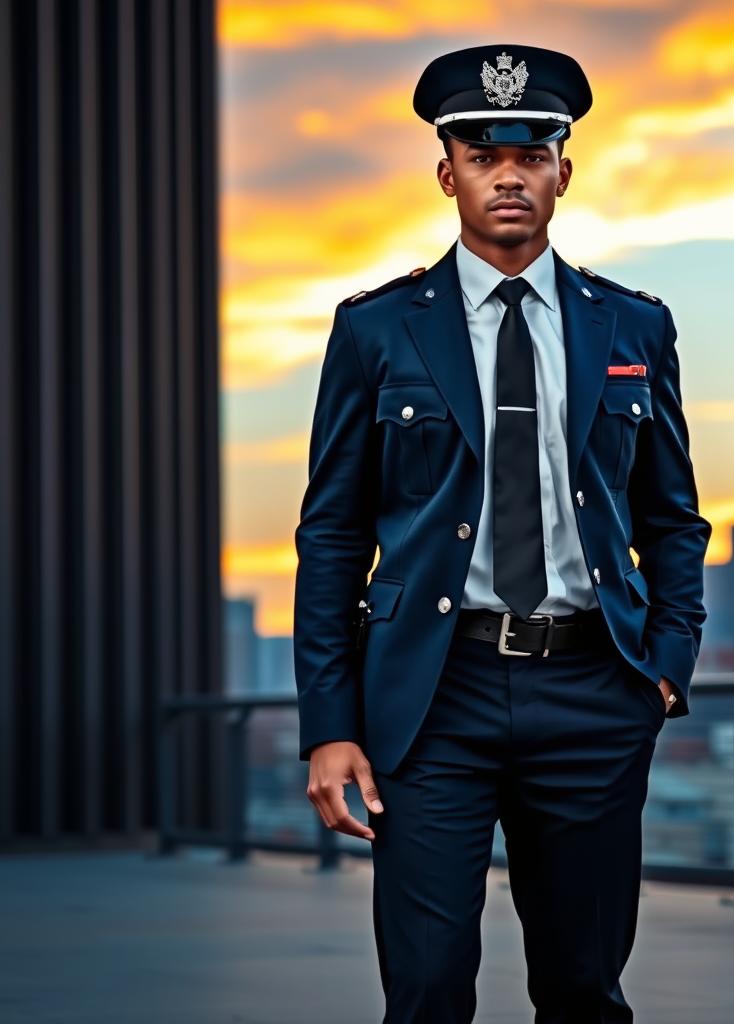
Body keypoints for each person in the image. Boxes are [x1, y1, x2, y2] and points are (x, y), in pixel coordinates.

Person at [293, 42, 712, 1023]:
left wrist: (666, 661)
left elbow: (673, 515)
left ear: (565, 169)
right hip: (431, 694)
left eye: (532, 154)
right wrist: (329, 723)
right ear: (448, 174)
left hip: (593, 690)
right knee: (429, 985)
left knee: (581, 986)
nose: (510, 174)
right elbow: (331, 536)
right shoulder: (377, 331)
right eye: (484, 156)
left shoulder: (633, 329)